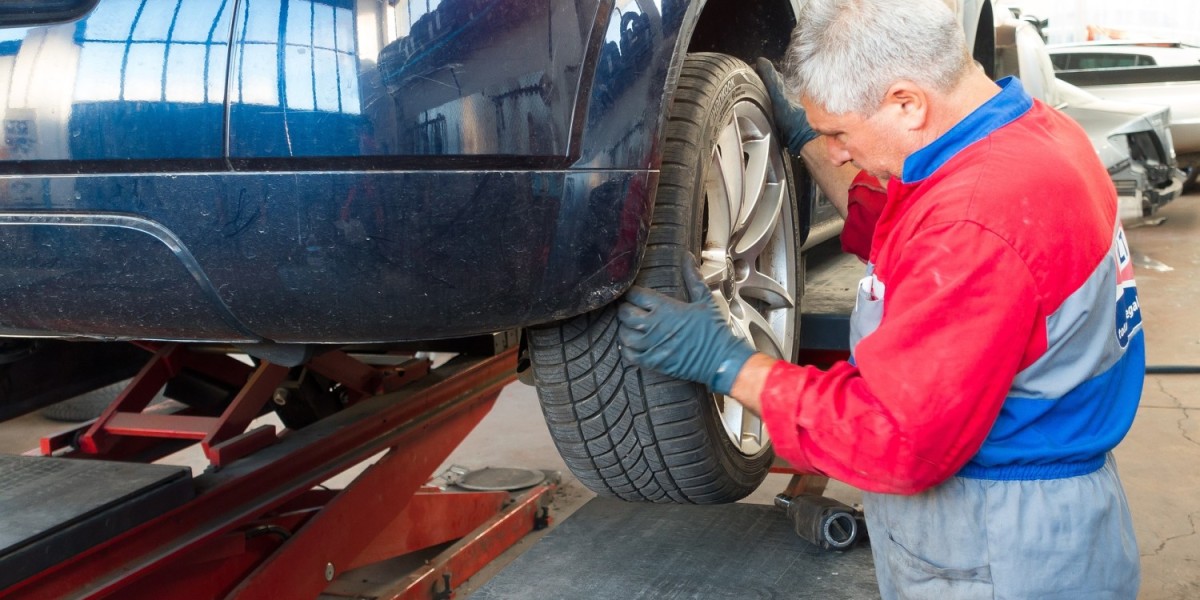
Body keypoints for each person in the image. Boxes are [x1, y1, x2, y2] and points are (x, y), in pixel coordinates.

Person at [616, 0, 1144, 597]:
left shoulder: (976, 223)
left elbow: (895, 437)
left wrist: (728, 365)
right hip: (1037, 514)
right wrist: (808, 140)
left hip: (1002, 546)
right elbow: (908, 228)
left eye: (839, 133)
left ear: (906, 102)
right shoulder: (1033, 133)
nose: (836, 151)